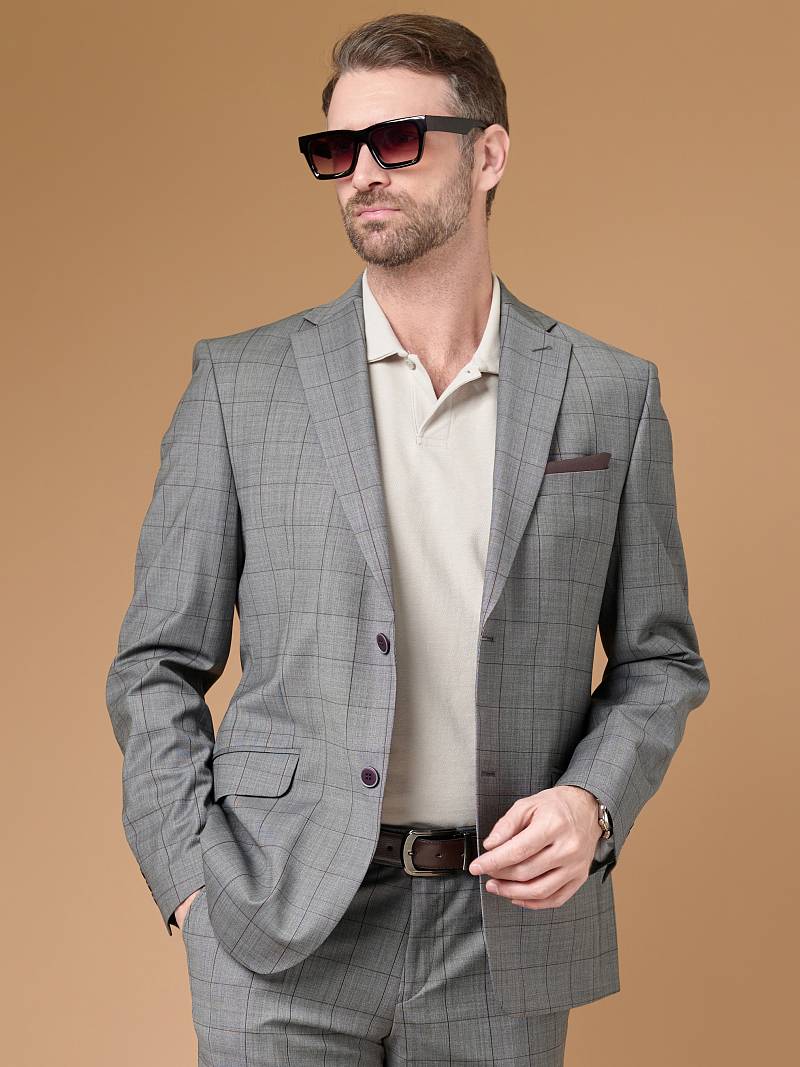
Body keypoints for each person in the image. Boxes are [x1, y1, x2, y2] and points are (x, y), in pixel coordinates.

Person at [105, 13, 710, 1066]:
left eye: (395, 141)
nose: (362, 174)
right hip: (279, 920)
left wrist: (594, 802)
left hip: (502, 935)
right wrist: (191, 882)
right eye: (336, 150)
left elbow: (659, 660)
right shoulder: (240, 384)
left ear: (489, 153)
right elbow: (154, 662)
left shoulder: (609, 393)